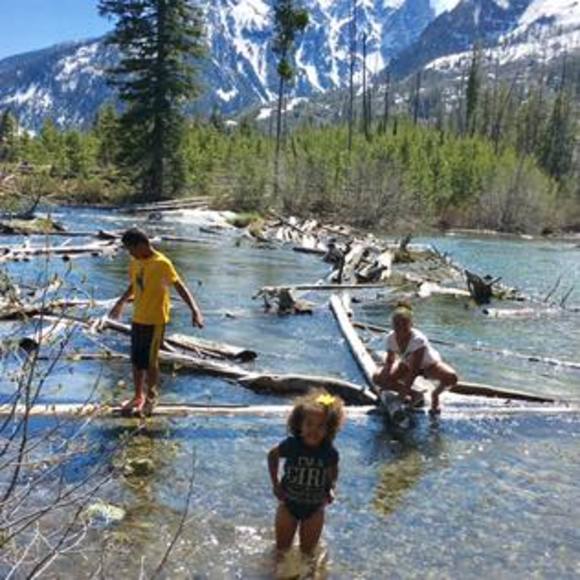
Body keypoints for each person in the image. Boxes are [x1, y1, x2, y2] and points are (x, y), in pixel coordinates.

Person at [109, 228, 204, 415]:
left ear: (142, 245)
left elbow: (179, 286)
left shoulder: (162, 263)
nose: (130, 253)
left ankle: (151, 397)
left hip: (155, 320)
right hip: (138, 318)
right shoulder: (135, 262)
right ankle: (138, 396)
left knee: (151, 362)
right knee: (136, 360)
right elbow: (134, 285)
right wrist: (119, 303)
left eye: (131, 249)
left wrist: (195, 310)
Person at [267, 390, 345, 559]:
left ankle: (310, 571)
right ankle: (277, 571)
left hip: (315, 508)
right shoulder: (292, 445)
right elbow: (272, 455)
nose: (313, 430)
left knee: (308, 554)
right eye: (309, 424)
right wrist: (275, 484)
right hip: (288, 503)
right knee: (281, 550)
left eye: (320, 426)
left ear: (329, 429)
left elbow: (333, 469)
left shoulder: (329, 452)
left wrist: (331, 487)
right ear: (299, 425)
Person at [372, 302, 457, 414]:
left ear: (411, 324)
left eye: (404, 325)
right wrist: (384, 383)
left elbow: (414, 371)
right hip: (407, 364)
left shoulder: (418, 340)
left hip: (429, 365)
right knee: (377, 378)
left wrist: (400, 398)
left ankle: (435, 395)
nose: (401, 329)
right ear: (393, 325)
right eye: (397, 325)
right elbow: (389, 362)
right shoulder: (390, 338)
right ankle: (415, 394)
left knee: (452, 378)